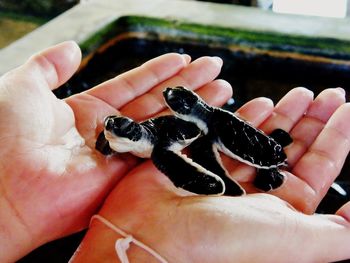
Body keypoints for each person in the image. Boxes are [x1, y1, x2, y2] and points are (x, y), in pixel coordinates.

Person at [0, 41, 349, 263]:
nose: (112, 133)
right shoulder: (124, 139)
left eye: (121, 129)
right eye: (114, 129)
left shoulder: (164, 148)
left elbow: (185, 149)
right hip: (182, 132)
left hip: (203, 135)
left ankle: (268, 165)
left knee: (230, 154)